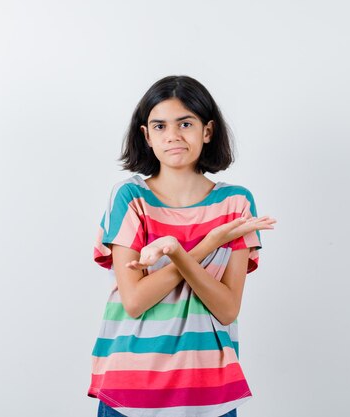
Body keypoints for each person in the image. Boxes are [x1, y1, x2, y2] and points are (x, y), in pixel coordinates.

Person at [88, 75, 277, 417]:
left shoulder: (236, 203)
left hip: (209, 390)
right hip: (132, 388)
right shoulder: (130, 197)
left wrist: (176, 250)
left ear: (207, 131)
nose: (172, 135)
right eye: (159, 126)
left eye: (185, 123)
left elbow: (226, 309)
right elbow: (135, 301)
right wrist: (207, 245)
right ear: (146, 136)